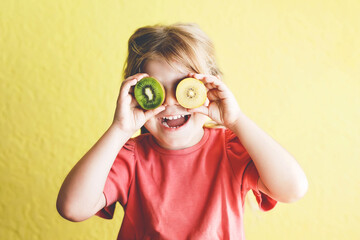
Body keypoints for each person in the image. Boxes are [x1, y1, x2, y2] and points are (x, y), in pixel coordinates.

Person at [57, 23, 308, 239]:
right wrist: (120, 129)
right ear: (136, 94)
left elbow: (293, 188)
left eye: (184, 88)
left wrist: (236, 120)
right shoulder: (131, 158)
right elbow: (72, 208)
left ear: (211, 87)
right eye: (155, 90)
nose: (169, 102)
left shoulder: (230, 149)